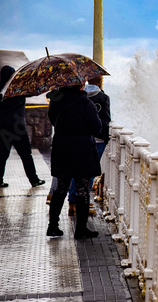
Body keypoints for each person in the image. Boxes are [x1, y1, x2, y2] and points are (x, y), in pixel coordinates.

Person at [46, 84, 102, 238]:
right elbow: (96, 127)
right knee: (82, 190)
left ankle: (53, 227)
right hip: (81, 151)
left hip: (62, 149)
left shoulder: (56, 101)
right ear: (79, 86)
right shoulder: (85, 103)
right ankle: (81, 229)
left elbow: (52, 120)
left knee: (61, 188)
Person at [0, 65, 45, 188]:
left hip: (3, 128)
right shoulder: (17, 90)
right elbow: (34, 91)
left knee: (2, 154)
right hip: (18, 128)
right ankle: (34, 180)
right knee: (26, 155)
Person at [66, 78, 111, 215]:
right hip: (98, 139)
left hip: (82, 139)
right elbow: (106, 119)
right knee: (90, 172)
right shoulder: (103, 97)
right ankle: (84, 203)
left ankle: (72, 201)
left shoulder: (79, 97)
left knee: (77, 171)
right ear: (100, 82)